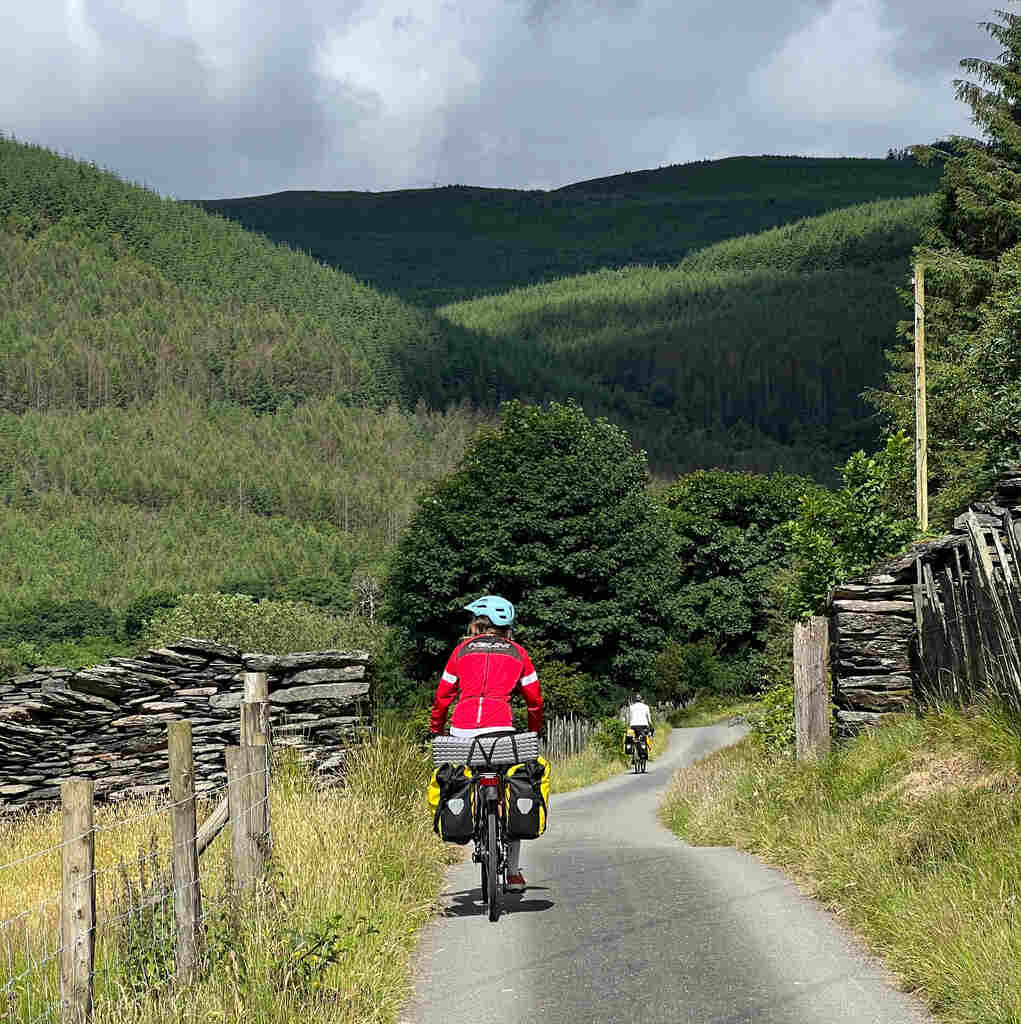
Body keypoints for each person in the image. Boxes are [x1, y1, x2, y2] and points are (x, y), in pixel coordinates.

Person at [429, 595, 543, 893]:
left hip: (463, 732)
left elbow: (442, 697)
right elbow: (534, 701)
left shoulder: (460, 652)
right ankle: (515, 872)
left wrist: (436, 729)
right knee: (513, 785)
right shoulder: (519, 653)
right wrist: (533, 731)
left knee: (462, 780)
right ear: (506, 627)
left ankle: (470, 825)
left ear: (477, 624)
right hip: (501, 731)